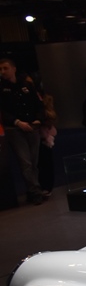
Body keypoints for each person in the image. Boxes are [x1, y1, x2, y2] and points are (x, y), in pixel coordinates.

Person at [0, 57, 45, 205]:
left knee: (34, 161)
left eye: (5, 68)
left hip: (32, 126)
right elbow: (2, 111)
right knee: (25, 162)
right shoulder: (1, 88)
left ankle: (33, 188)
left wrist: (38, 119)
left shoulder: (26, 85)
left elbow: (38, 104)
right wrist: (17, 122)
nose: (3, 72)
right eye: (0, 69)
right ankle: (35, 191)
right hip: (14, 128)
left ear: (14, 69)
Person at [38, 93, 57, 195]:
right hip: (43, 137)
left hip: (45, 138)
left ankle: (46, 187)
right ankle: (46, 187)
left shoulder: (46, 114)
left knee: (44, 163)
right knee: (45, 163)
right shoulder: (47, 113)